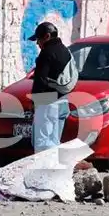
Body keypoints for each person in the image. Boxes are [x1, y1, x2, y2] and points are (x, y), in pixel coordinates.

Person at [28, 21, 77, 153]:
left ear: (47, 36)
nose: (37, 43)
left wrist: (34, 103)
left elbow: (40, 80)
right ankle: (55, 170)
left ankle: (45, 171)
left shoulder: (46, 53)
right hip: (63, 101)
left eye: (38, 39)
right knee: (54, 141)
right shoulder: (65, 51)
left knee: (43, 143)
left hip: (48, 103)